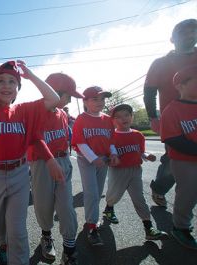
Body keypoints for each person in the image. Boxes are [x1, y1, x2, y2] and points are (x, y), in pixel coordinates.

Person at [0, 60, 63, 265]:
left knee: (17, 228)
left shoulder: (25, 110)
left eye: (12, 81)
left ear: (18, 88)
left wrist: (29, 74)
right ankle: (3, 245)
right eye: (0, 81)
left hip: (19, 172)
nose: (6, 85)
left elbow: (53, 98)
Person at [28, 73, 83, 265]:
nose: (69, 99)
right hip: (42, 163)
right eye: (68, 95)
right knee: (43, 205)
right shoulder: (36, 109)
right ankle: (46, 235)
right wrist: (50, 159)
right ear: (55, 92)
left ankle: (69, 248)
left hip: (62, 161)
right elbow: (34, 138)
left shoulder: (62, 113)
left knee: (66, 206)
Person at [143, 19, 197, 207]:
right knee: (175, 160)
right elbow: (149, 91)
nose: (190, 35)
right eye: (184, 32)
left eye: (193, 31)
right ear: (172, 39)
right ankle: (159, 188)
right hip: (173, 120)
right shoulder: (161, 63)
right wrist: (153, 117)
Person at [102, 104, 168, 241]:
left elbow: (141, 152)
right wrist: (110, 158)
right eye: (118, 117)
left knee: (139, 199)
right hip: (118, 171)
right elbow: (107, 154)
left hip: (136, 170)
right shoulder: (111, 136)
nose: (123, 119)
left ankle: (148, 227)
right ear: (113, 121)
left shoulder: (138, 135)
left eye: (126, 115)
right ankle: (109, 208)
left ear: (132, 117)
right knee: (114, 195)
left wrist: (148, 155)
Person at [71, 86, 119, 246]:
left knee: (98, 192)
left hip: (103, 159)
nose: (100, 102)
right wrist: (93, 158)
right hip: (86, 160)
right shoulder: (81, 119)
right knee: (91, 192)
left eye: (102, 99)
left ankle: (92, 219)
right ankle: (92, 226)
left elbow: (111, 140)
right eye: (95, 99)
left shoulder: (107, 119)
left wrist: (113, 153)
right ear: (85, 101)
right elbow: (80, 142)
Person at [160, 65, 197, 250]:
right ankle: (180, 228)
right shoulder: (172, 109)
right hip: (184, 162)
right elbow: (172, 139)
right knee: (188, 195)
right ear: (180, 85)